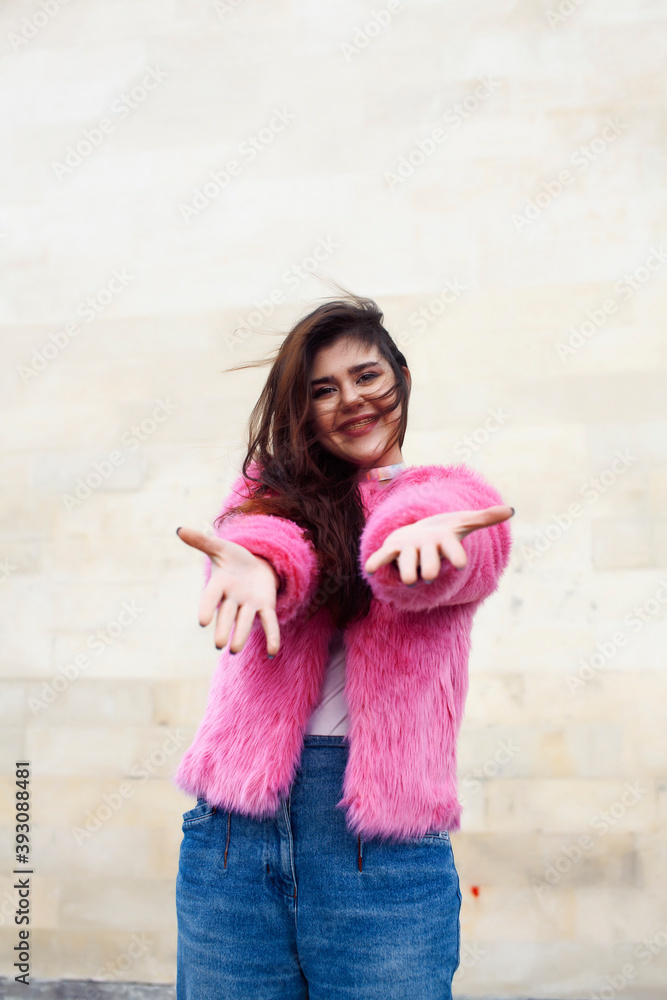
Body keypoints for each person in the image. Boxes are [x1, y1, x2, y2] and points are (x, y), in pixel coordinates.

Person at [173, 293, 514, 1000]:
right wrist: (259, 565)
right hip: (234, 837)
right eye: (322, 390)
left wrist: (419, 542)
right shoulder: (268, 495)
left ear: (402, 377)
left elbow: (459, 553)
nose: (349, 400)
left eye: (366, 377)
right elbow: (266, 546)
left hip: (381, 851)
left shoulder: (449, 495)